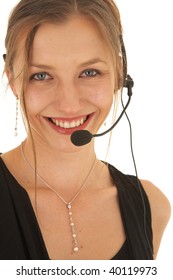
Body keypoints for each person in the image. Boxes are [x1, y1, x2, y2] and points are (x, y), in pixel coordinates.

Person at [0, 0, 171, 260]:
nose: (69, 105)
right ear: (13, 79)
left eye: (89, 72)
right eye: (42, 76)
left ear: (119, 72)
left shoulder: (152, 207)